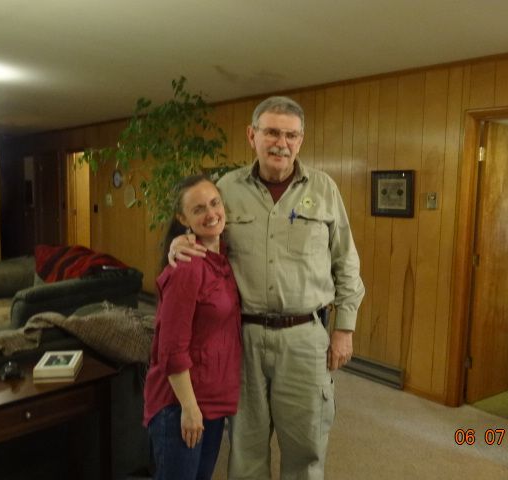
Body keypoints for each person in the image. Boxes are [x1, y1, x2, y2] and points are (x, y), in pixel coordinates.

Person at [169, 96, 365, 480]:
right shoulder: (227, 188)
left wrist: (345, 328)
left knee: (306, 450)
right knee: (245, 448)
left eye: (291, 135)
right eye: (272, 132)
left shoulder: (324, 189)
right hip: (242, 338)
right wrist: (181, 240)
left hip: (305, 338)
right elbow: (206, 236)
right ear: (252, 135)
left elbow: (347, 262)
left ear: (301, 140)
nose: (281, 143)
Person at [143, 175, 242, 480]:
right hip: (180, 404)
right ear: (182, 219)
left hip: (210, 401)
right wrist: (189, 407)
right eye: (198, 209)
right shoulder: (187, 266)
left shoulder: (222, 259)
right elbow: (171, 348)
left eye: (214, 203)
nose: (211, 213)